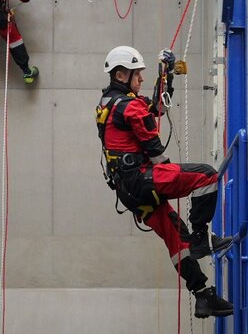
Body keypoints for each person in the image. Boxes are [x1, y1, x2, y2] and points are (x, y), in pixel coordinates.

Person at [95, 45, 234, 318]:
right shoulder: (128, 106)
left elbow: (156, 107)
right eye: (138, 74)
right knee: (206, 175)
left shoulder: (111, 103)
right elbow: (154, 148)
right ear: (122, 74)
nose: (141, 79)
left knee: (175, 240)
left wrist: (165, 75)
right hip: (141, 180)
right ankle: (200, 237)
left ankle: (203, 296)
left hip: (128, 190)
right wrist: (171, 174)